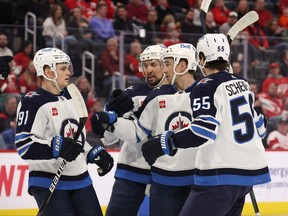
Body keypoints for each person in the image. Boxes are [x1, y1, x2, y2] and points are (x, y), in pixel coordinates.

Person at [141, 33, 271, 215]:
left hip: (220, 176)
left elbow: (203, 131)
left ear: (201, 59)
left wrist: (167, 141)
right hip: (246, 177)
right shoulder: (243, 84)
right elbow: (261, 128)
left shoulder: (205, 86)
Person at [15, 47, 114, 216]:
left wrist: (92, 152)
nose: (68, 72)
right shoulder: (33, 101)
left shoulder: (72, 97)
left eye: (68, 67)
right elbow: (24, 146)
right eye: (62, 68)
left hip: (80, 179)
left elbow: (75, 137)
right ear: (48, 71)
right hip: (48, 179)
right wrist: (54, 147)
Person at [91, 44, 167, 216]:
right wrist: (109, 114)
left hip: (167, 173)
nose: (149, 70)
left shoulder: (180, 94)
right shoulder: (132, 94)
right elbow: (108, 138)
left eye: (154, 64)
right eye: (145, 65)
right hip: (132, 169)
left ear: (165, 64)